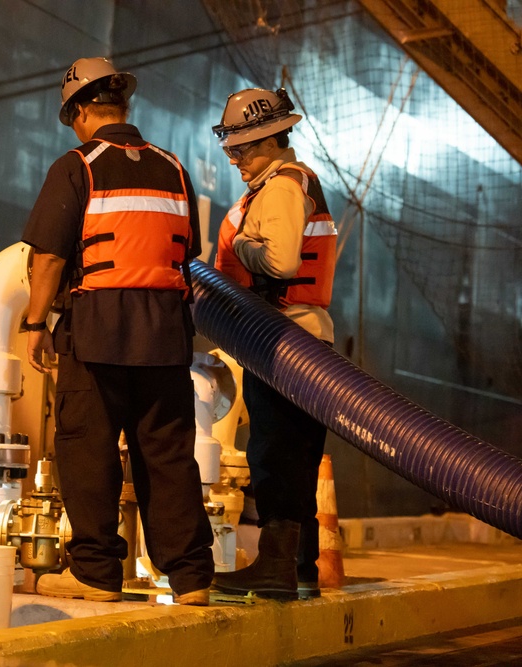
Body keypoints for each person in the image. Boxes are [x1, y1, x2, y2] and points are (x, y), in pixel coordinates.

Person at [22, 57, 214, 606]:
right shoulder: (173, 168)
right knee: (169, 455)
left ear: (82, 110)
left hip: (97, 330)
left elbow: (50, 257)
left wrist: (36, 324)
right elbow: (184, 254)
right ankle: (192, 576)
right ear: (123, 106)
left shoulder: (78, 165)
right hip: (167, 335)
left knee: (88, 450)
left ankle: (96, 574)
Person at [210, 87, 338, 601]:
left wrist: (238, 245)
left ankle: (276, 569)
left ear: (270, 138)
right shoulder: (289, 183)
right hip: (301, 339)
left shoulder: (281, 187)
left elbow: (282, 264)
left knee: (274, 455)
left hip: (284, 341)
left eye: (243, 149)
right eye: (232, 150)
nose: (236, 159)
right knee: (296, 458)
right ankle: (298, 567)